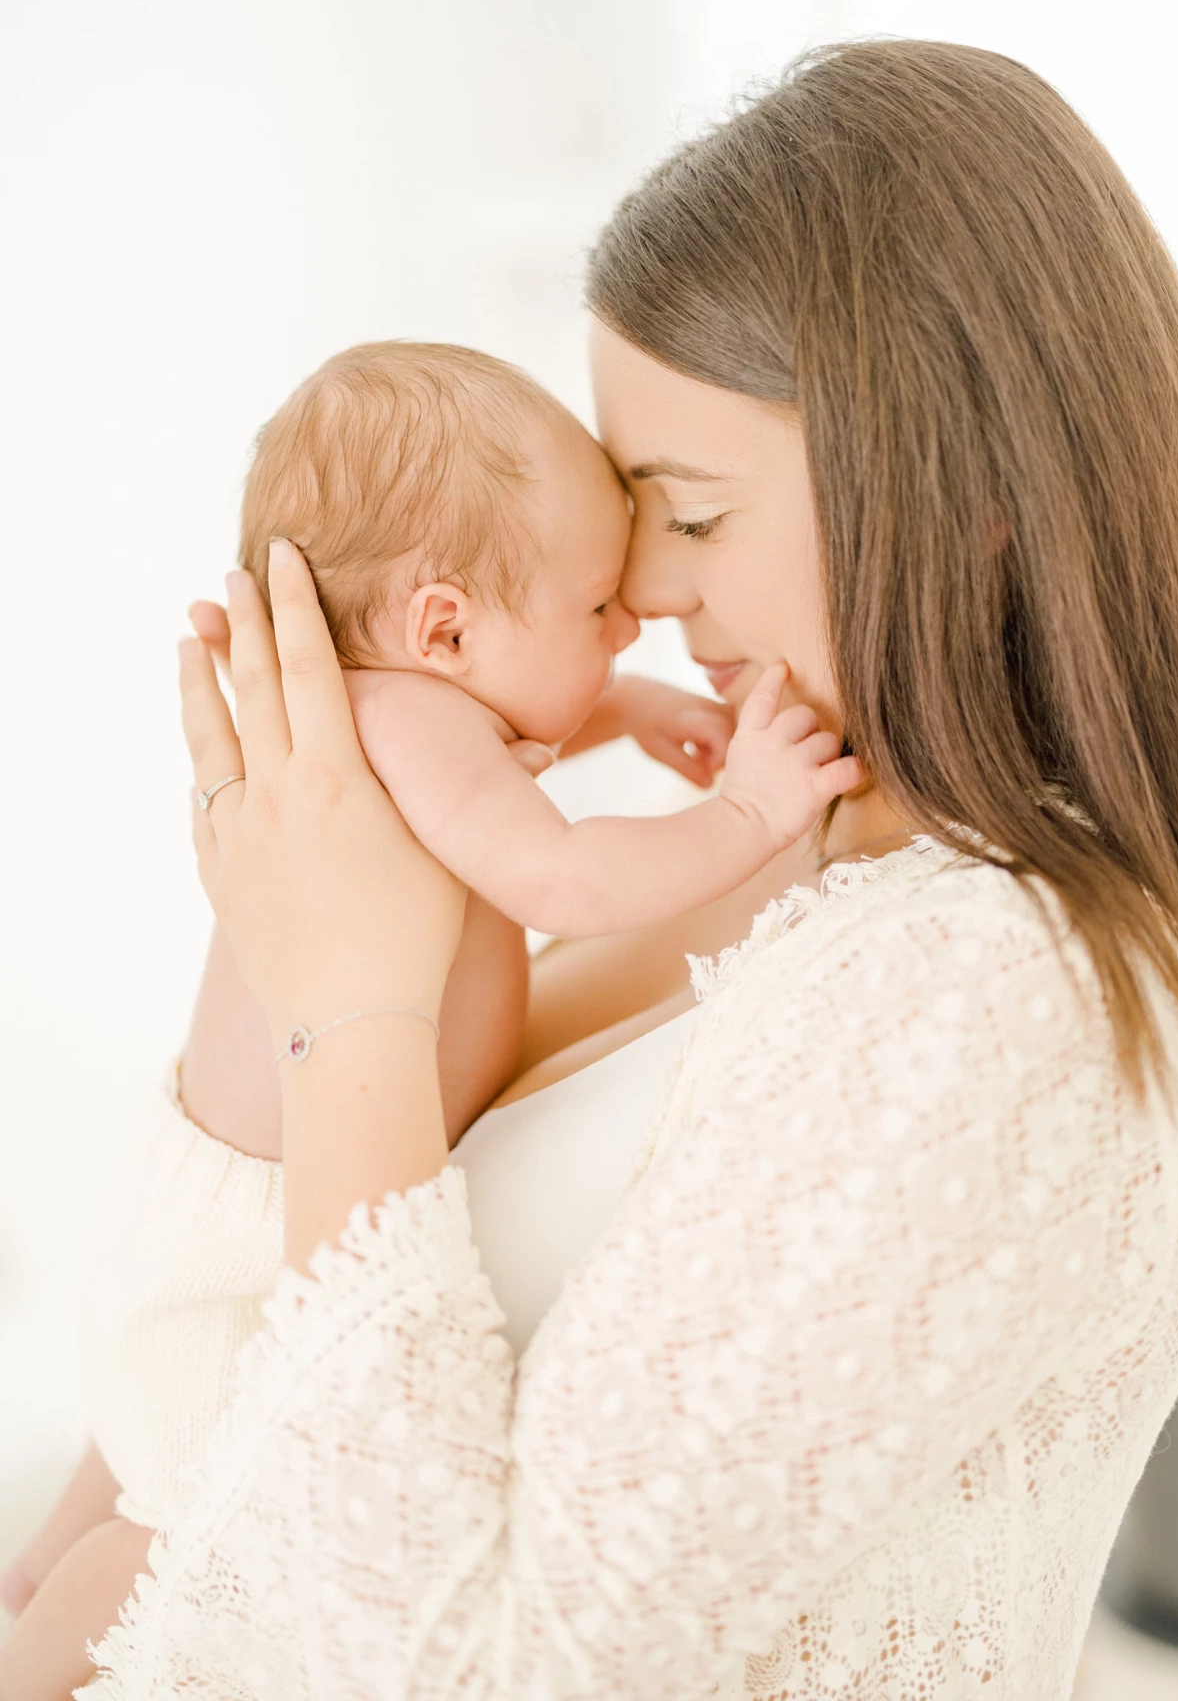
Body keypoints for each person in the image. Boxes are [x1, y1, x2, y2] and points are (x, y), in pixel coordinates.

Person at [13, 34, 1178, 1697]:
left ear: (967, 495)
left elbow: (477, 1668)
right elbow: (249, 1354)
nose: (639, 581)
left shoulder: (1005, 993)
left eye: (691, 515)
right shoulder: (802, 854)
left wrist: (344, 1009)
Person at [0, 342, 859, 1699]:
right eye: (595, 611)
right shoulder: (417, 736)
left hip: (202, 1221)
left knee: (119, 1476)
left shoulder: (393, 718)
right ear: (446, 626)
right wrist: (748, 814)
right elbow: (560, 873)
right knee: (163, 1555)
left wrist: (618, 703)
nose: (629, 620)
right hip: (246, 1252)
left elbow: (505, 756)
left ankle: (34, 1571)